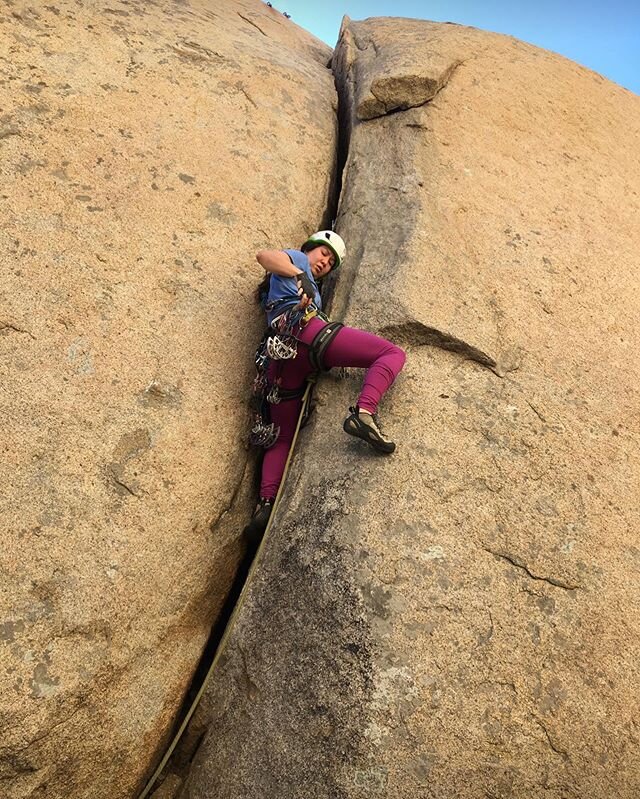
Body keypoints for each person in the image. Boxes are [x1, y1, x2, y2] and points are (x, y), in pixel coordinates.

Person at [244, 230, 406, 541]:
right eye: (323, 253)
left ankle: (264, 506)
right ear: (310, 248)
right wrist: (299, 274)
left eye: (331, 262)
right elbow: (265, 256)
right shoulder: (297, 259)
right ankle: (364, 412)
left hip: (284, 365)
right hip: (308, 335)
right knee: (391, 353)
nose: (324, 261)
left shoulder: (304, 284)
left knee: (281, 439)